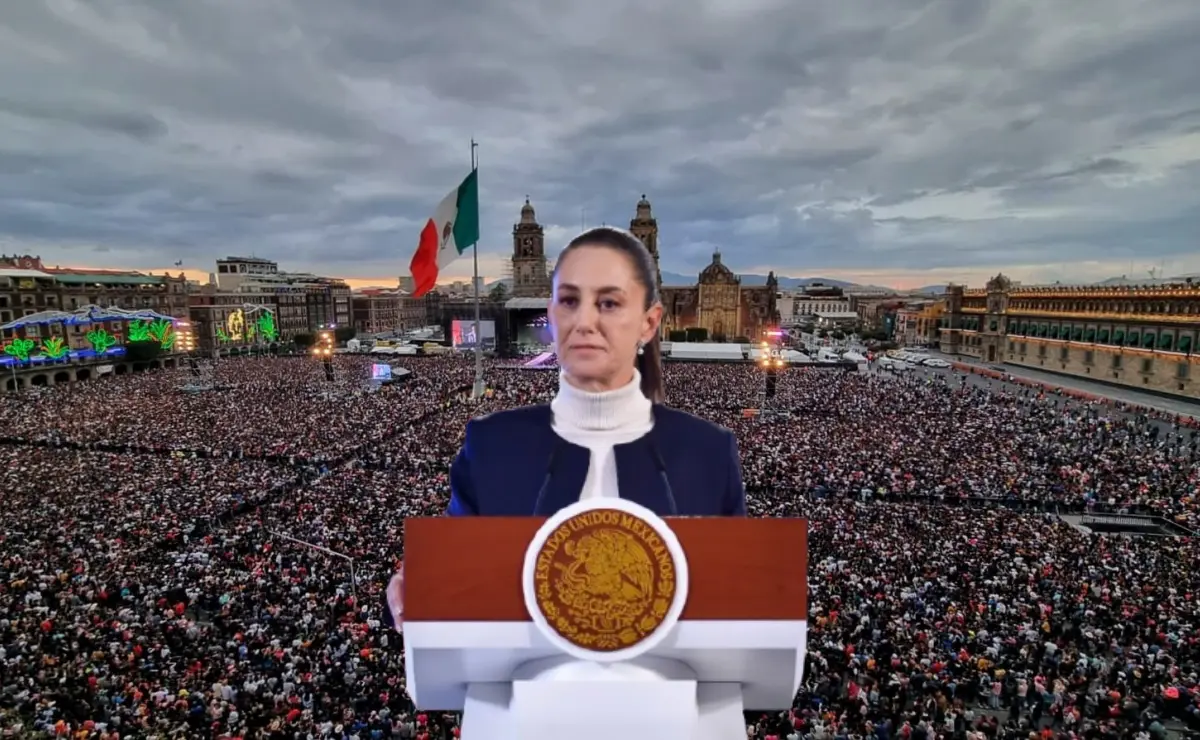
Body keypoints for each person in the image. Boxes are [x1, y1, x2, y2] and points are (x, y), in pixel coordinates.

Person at [385, 226, 747, 630]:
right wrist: (414, 584)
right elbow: (454, 563)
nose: (586, 321)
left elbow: (733, 597)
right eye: (570, 301)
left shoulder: (708, 452)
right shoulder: (492, 445)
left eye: (609, 303)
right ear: (553, 316)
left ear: (649, 323)